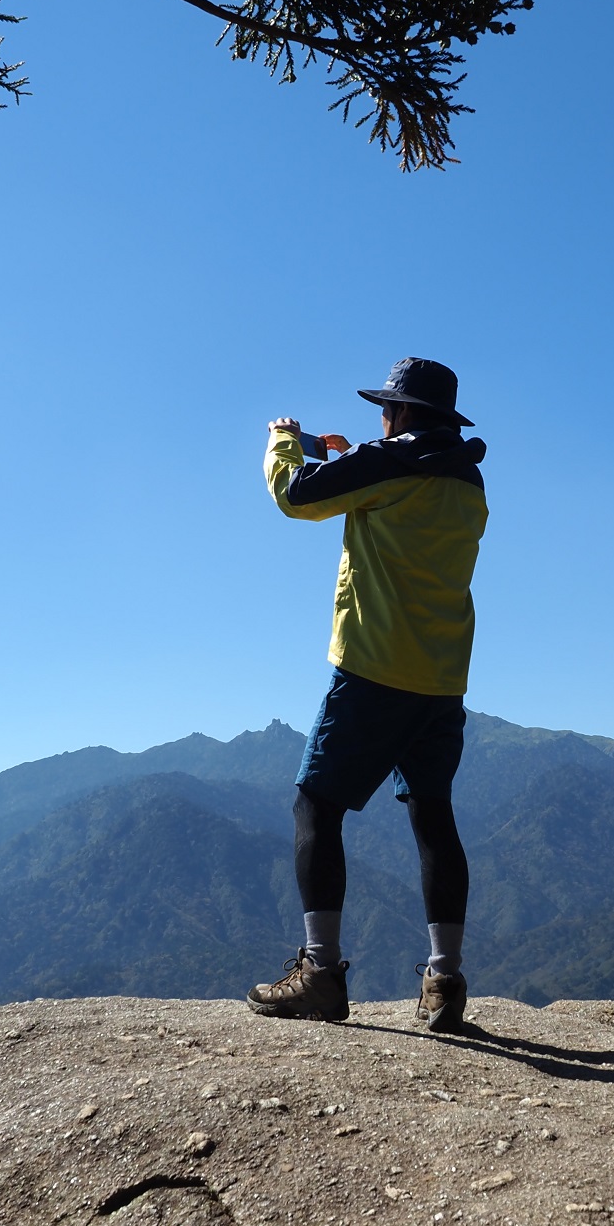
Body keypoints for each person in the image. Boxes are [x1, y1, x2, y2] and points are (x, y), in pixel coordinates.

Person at [246, 357, 488, 1033]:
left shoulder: (387, 462)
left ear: (403, 413)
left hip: (374, 668)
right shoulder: (466, 477)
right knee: (433, 817)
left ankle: (320, 972)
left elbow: (296, 497)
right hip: (442, 677)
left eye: (386, 408)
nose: (380, 419)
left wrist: (284, 441)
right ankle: (445, 979)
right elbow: (400, 499)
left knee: (316, 806)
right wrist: (357, 458)